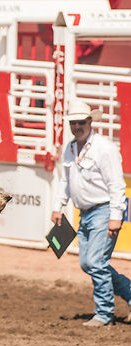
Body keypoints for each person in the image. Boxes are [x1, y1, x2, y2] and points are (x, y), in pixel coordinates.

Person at [51, 100, 131, 327]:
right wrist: (58, 206)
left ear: (90, 122)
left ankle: (104, 313)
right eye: (73, 122)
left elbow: (116, 185)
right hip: (85, 213)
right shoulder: (70, 148)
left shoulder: (104, 149)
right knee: (90, 263)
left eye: (81, 122)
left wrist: (116, 215)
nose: (77, 126)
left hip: (103, 210)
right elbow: (65, 181)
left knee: (95, 262)